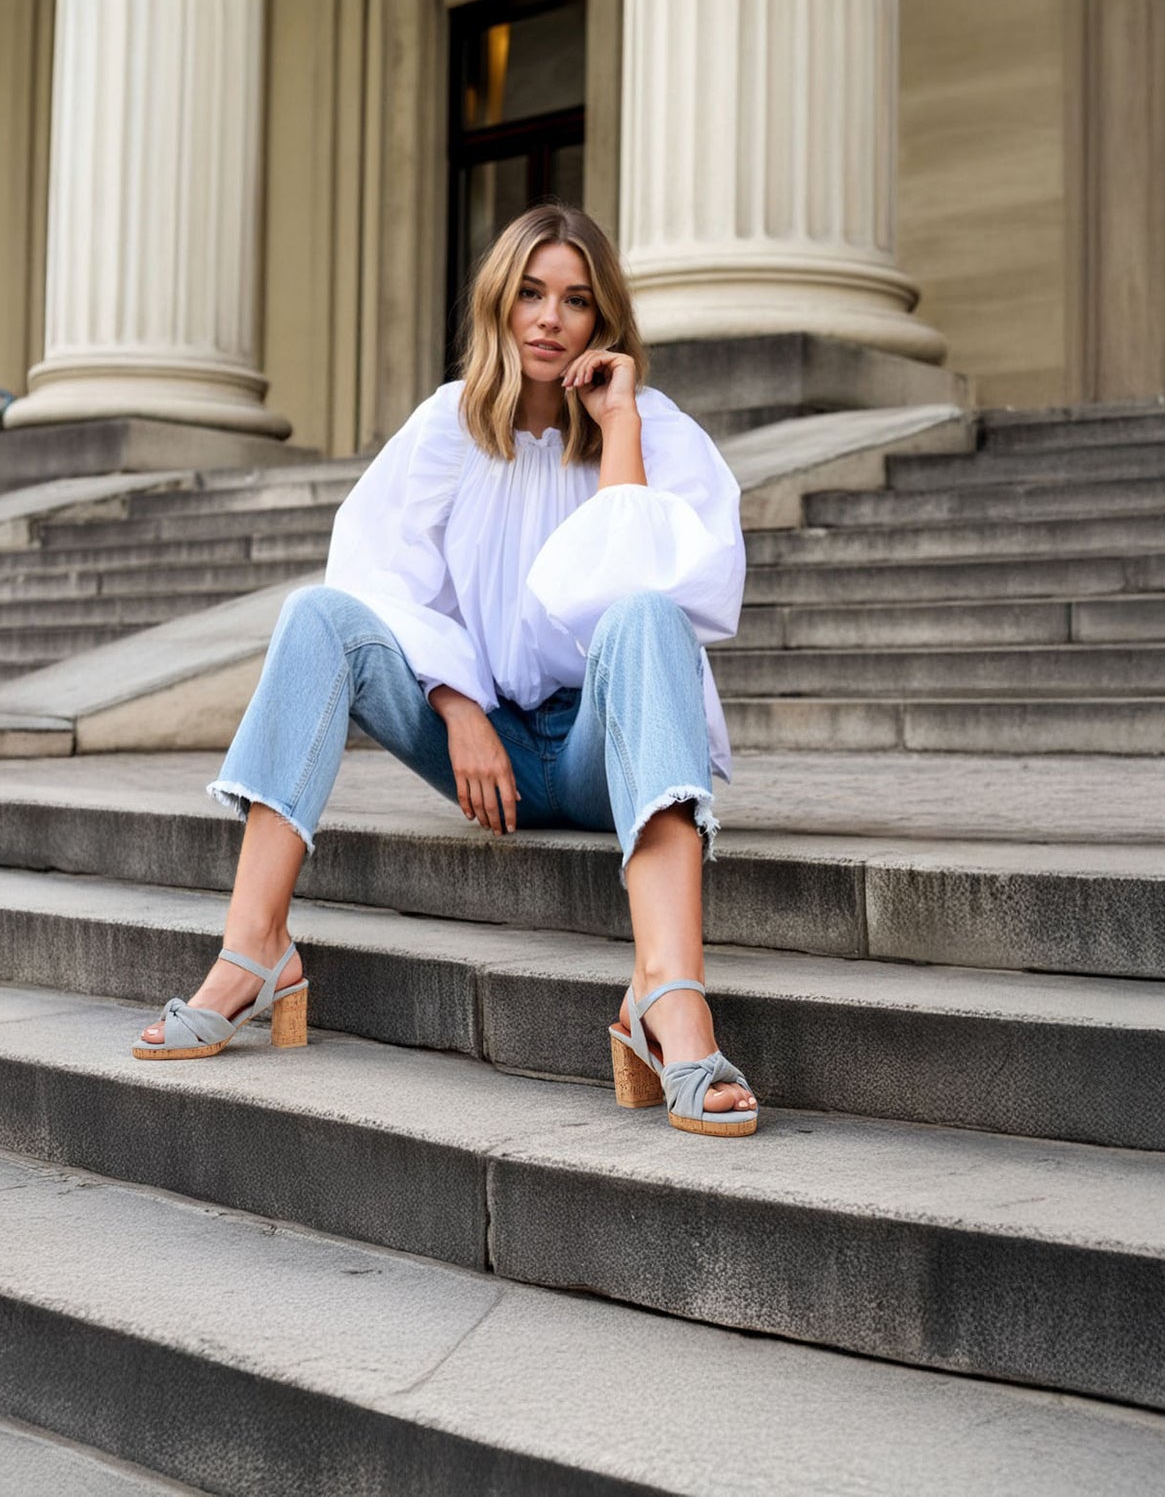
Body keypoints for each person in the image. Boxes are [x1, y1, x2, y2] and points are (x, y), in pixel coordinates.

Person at [134, 202, 758, 1137]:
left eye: (576, 301)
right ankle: (256, 948)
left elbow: (642, 592)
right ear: (500, 306)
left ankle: (665, 996)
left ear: (604, 321)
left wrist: (618, 421)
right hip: (491, 744)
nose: (550, 319)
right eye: (532, 295)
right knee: (318, 613)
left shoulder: (656, 429)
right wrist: (454, 701)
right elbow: (373, 574)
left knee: (644, 610)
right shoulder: (447, 427)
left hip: (605, 752)